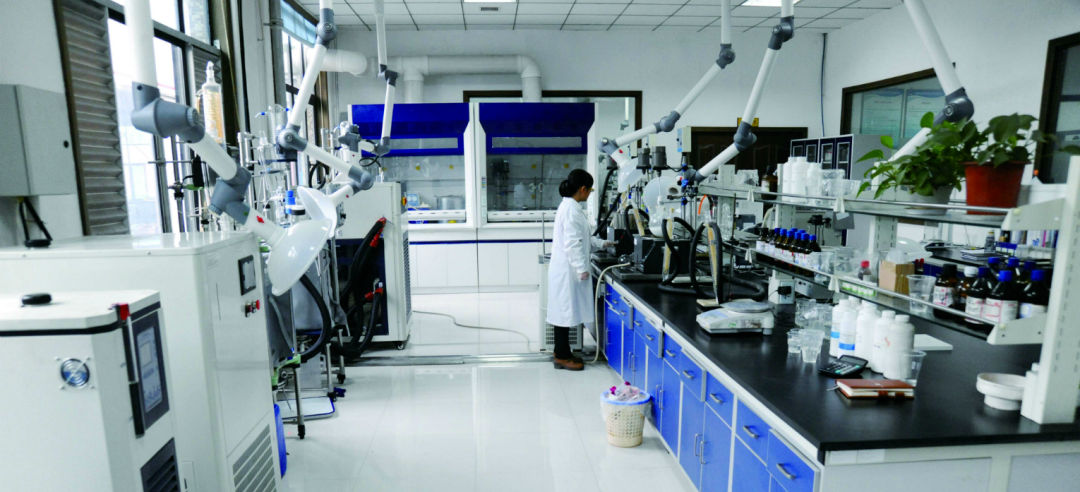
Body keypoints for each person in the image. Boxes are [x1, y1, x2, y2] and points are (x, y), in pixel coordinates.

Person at [546, 169, 611, 370]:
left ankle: (562, 351)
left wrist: (602, 243)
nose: (590, 193)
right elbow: (573, 244)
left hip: (567, 268)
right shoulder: (571, 210)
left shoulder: (571, 207)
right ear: (583, 189)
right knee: (564, 313)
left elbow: (582, 238)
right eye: (590, 190)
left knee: (565, 312)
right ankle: (562, 356)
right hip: (568, 271)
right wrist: (582, 269)